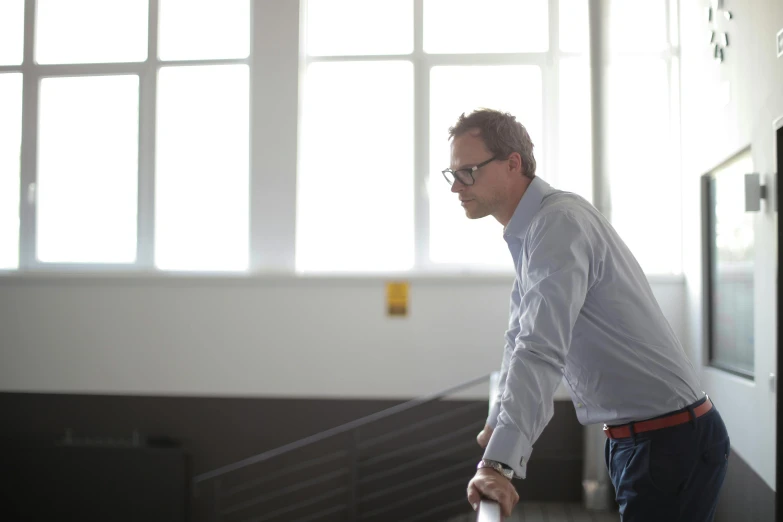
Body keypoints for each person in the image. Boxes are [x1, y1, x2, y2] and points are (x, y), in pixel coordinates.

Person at [447, 109, 730, 521]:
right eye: (451, 173)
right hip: (643, 440)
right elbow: (518, 341)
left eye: (468, 171)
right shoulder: (535, 233)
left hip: (668, 440)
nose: (456, 186)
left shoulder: (557, 223)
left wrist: (498, 466)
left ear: (513, 163)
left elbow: (540, 348)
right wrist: (496, 426)